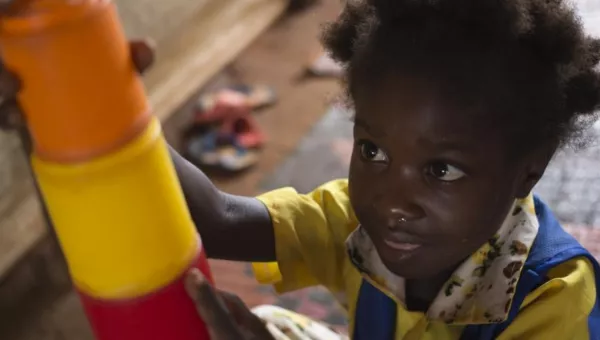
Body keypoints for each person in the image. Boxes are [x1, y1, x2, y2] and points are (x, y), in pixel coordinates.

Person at [2, 0, 600, 339]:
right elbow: (218, 217)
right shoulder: (356, 223)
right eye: (373, 152)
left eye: (441, 170)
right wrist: (81, 107)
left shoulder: (553, 300)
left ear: (529, 171)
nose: (392, 199)